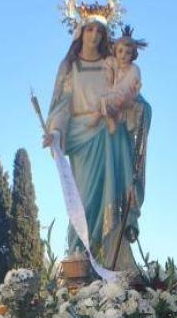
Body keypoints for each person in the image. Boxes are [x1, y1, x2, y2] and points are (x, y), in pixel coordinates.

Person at [45, 18, 151, 272]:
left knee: (116, 198)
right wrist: (56, 133)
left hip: (114, 140)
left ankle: (114, 264)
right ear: (80, 32)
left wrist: (140, 107)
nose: (94, 35)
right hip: (84, 138)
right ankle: (79, 262)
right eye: (89, 29)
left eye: (100, 31)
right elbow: (62, 106)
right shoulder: (71, 67)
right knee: (84, 200)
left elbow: (132, 97)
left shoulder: (111, 64)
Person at [100, 26, 146, 136]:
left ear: (133, 55)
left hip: (124, 96)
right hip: (113, 96)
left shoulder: (134, 69)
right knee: (101, 102)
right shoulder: (113, 64)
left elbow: (129, 86)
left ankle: (127, 119)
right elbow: (106, 77)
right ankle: (109, 120)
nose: (123, 56)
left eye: (128, 53)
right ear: (115, 51)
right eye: (120, 51)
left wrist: (125, 99)